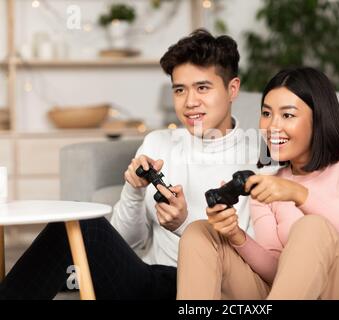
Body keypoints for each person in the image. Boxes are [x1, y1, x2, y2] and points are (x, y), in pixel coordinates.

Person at [0, 29, 259, 300]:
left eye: (202, 88)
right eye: (180, 90)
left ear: (232, 89)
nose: (190, 102)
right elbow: (126, 241)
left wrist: (184, 225)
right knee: (77, 226)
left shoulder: (257, 160)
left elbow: (250, 265)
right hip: (149, 279)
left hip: (209, 290)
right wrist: (134, 191)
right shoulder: (158, 143)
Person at [177, 67, 339, 300]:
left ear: (318, 118)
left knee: (313, 227)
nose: (272, 127)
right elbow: (275, 271)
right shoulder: (271, 185)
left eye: (287, 115)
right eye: (267, 113)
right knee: (199, 233)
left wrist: (298, 194)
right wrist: (235, 235)